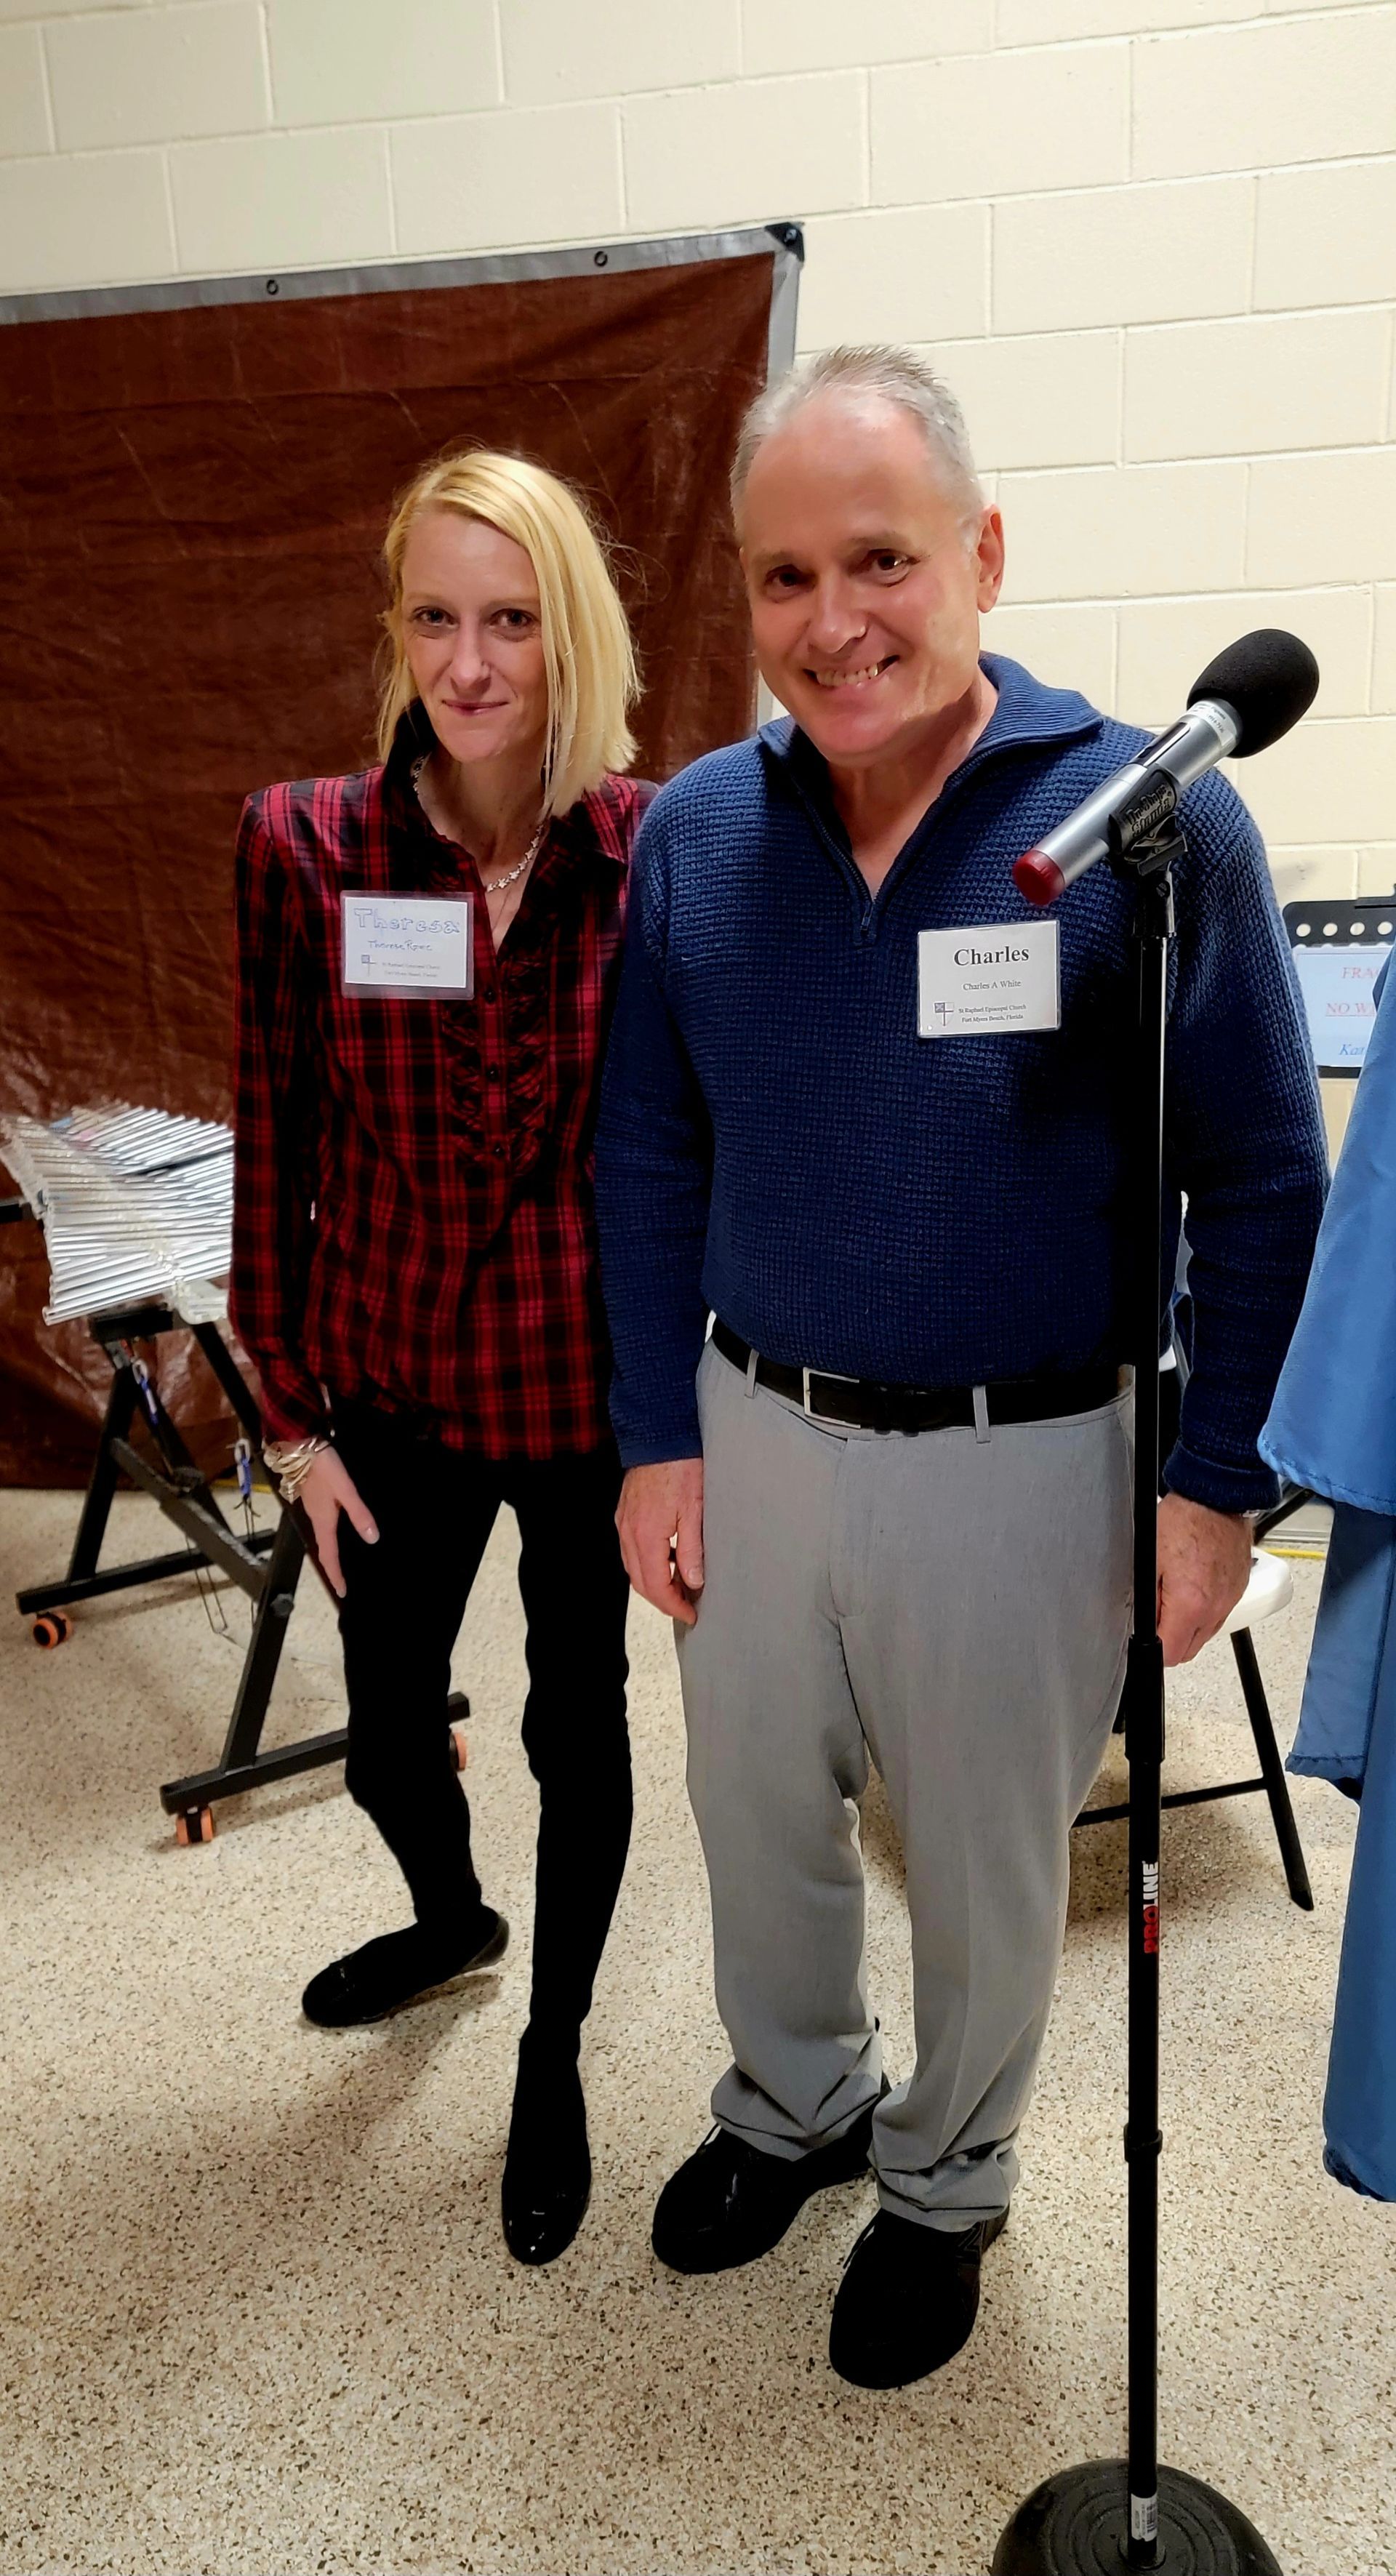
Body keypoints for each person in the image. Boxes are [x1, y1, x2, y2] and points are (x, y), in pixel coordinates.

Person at [594, 347, 1328, 2386]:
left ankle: (946, 2180)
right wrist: (658, 1435)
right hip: (756, 1427)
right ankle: (800, 2101)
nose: (836, 624)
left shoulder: (1148, 832)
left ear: (984, 554)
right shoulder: (697, 843)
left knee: (992, 1864)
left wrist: (1212, 1489)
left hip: (1031, 1456)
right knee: (756, 1824)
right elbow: (648, 1148)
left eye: (886, 560)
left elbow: (1266, 1183)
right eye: (784, 577)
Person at [230, 446, 651, 2266]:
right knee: (392, 1731)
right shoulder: (304, 844)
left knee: (579, 1722)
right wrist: (287, 1416)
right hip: (385, 1384)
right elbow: (278, 1135)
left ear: (572, 639)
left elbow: (692, 1141)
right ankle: (451, 1915)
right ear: (393, 627)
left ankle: (551, 2047)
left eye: (513, 620)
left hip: (583, 1395)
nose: (470, 664)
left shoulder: (655, 849)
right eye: (435, 617)